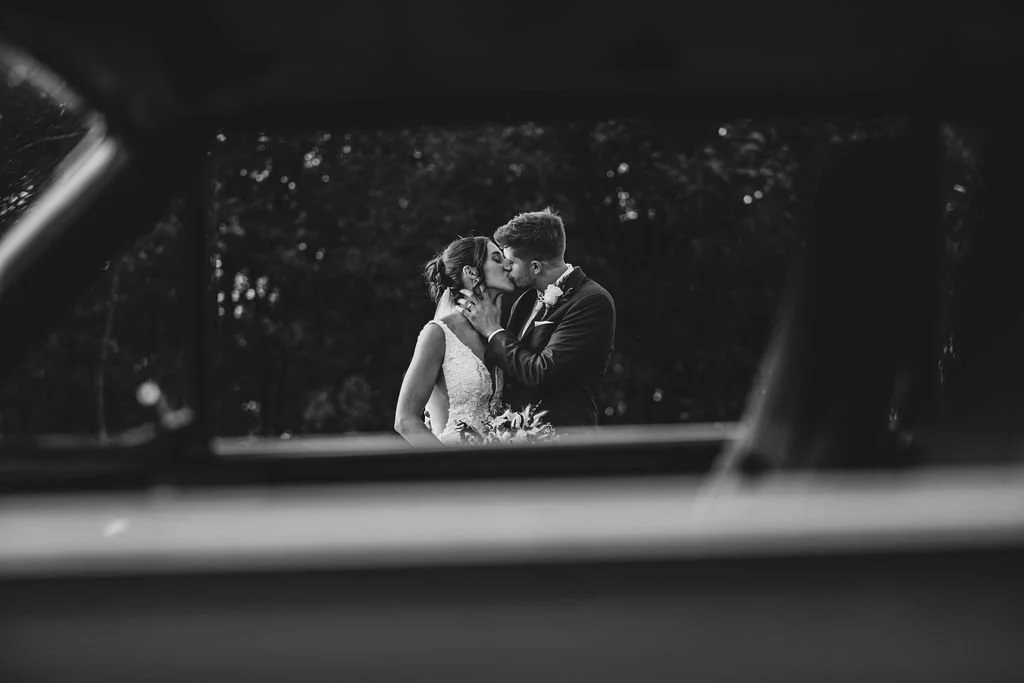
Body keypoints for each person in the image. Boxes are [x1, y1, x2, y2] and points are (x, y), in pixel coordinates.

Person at [456, 208, 616, 430]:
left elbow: (541, 372)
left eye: (510, 261)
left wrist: (493, 330)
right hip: (518, 439)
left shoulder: (591, 301)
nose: (506, 267)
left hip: (564, 442)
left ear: (535, 267)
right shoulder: (526, 299)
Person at [394, 236, 515, 446]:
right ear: (471, 272)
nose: (508, 265)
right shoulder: (439, 333)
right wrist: (451, 467)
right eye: (497, 259)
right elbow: (405, 420)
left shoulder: (497, 332)